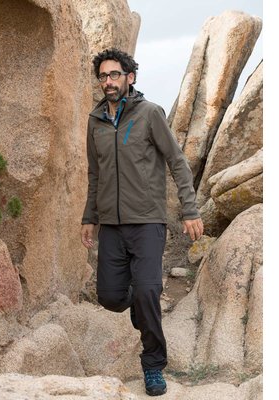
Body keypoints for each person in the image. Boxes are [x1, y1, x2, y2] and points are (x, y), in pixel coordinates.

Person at [80, 48, 203, 397]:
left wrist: (190, 210)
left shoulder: (150, 113)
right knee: (110, 297)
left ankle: (153, 364)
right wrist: (89, 218)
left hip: (147, 221)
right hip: (111, 226)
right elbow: (95, 174)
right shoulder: (95, 121)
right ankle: (139, 301)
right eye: (103, 76)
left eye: (114, 74)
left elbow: (177, 161)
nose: (108, 81)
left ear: (130, 77)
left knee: (149, 291)